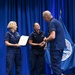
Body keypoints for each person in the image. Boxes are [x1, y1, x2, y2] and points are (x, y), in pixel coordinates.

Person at [42, 11, 66, 75]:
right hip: (60, 47)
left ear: (46, 17)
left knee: (55, 66)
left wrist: (46, 40)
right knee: (58, 65)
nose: (44, 20)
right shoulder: (57, 22)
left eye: (44, 18)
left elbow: (52, 36)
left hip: (55, 48)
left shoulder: (52, 23)